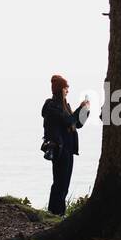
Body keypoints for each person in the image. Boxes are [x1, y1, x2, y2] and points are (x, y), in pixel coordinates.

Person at [41, 74, 89, 215]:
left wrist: (85, 110)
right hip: (59, 149)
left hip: (68, 149)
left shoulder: (65, 105)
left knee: (64, 184)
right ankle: (55, 213)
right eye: (66, 88)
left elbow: (77, 124)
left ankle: (57, 213)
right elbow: (68, 121)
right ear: (60, 89)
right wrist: (80, 109)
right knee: (60, 183)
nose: (67, 90)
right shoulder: (51, 105)